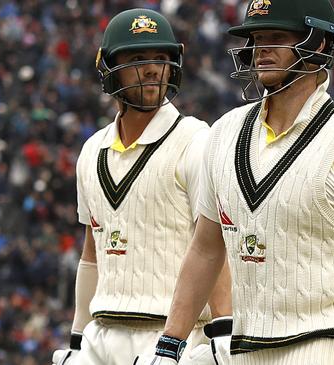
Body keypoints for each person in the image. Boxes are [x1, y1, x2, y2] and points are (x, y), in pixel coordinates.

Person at [150, 0, 334, 364]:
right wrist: (169, 345)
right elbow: (206, 250)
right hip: (249, 346)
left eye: (276, 37)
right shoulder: (223, 134)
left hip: (333, 343)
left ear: (318, 43)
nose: (261, 49)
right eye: (256, 38)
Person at [51, 8, 232, 365]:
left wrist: (224, 332)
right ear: (108, 68)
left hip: (172, 337)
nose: (152, 68)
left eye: (161, 58)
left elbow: (215, 244)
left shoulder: (195, 140)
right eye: (138, 58)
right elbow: (92, 255)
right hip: (101, 337)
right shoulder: (92, 151)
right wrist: (76, 337)